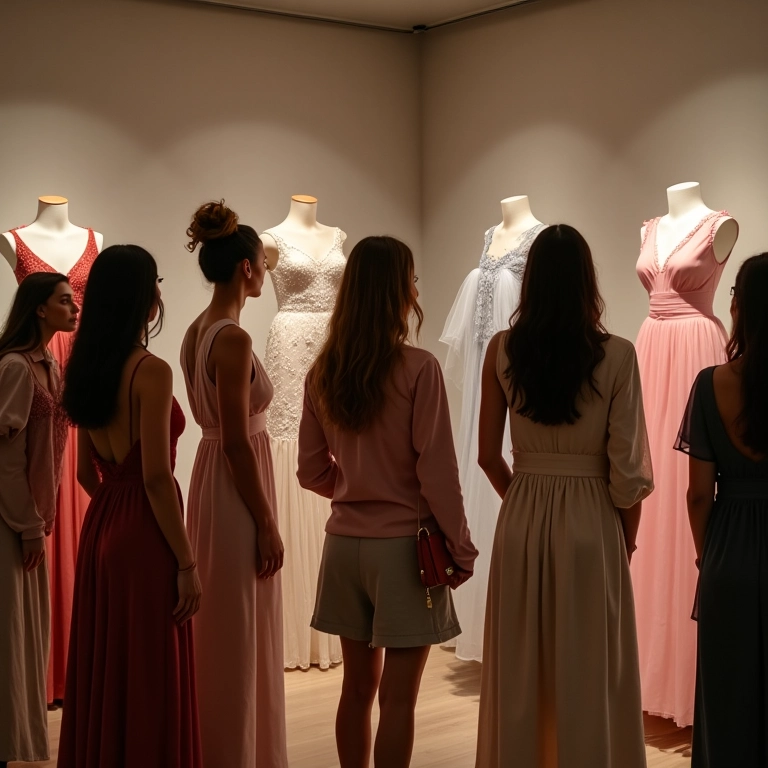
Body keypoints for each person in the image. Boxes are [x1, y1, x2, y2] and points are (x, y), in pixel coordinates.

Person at [475, 224, 653, 768]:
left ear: (530, 284)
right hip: (592, 521)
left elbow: (486, 454)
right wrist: (625, 538)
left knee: (521, 664)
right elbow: (627, 473)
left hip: (522, 514)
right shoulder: (618, 356)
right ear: (586, 282)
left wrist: (524, 499)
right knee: (590, 669)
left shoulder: (501, 350)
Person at [297, 235, 478, 768]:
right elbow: (437, 471)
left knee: (355, 689)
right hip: (404, 552)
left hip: (343, 549)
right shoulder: (420, 369)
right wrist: (461, 547)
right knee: (399, 699)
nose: (417, 289)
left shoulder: (323, 372)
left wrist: (356, 489)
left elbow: (311, 470)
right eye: (413, 279)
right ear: (397, 291)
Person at [58, 245, 202, 768]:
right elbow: (158, 480)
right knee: (150, 669)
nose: (161, 293)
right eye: (156, 282)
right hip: (145, 532)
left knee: (108, 666)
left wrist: (115, 512)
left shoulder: (86, 367)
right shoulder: (151, 370)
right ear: (141, 297)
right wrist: (186, 563)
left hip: (101, 528)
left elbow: (81, 474)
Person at [181, 201, 287, 768]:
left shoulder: (196, 331)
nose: (266, 273)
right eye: (263, 265)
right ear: (246, 269)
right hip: (236, 484)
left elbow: (218, 434)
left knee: (222, 621)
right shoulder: (234, 340)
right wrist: (268, 522)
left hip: (209, 480)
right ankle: (238, 751)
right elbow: (237, 441)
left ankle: (220, 744)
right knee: (239, 621)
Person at [675, 252, 768, 767]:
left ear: (741, 309)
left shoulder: (710, 384)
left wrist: (705, 554)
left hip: (728, 548)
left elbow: (696, 494)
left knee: (726, 695)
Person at [0, 273, 77, 768]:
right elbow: (6, 459)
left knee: (25, 639)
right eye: (65, 301)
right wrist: (27, 525)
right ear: (39, 309)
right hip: (10, 521)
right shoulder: (14, 368)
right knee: (10, 639)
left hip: (30, 519)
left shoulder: (48, 365)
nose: (74, 307)